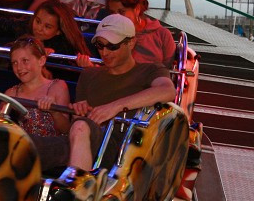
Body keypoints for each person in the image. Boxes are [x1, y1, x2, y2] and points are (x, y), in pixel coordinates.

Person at [33, 14, 175, 171]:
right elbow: (75, 129)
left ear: (131, 43)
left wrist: (115, 107)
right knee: (20, 142)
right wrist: (79, 114)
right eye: (100, 46)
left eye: (112, 46)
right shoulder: (89, 75)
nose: (104, 52)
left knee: (80, 129)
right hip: (85, 141)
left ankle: (78, 190)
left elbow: (167, 90)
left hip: (124, 152)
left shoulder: (150, 70)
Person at [0, 0, 90, 57]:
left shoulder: (65, 48)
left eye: (47, 26)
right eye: (38, 21)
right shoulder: (24, 27)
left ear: (58, 31)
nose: (39, 28)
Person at [5, 36, 71, 137]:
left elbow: (66, 129)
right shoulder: (12, 93)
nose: (19, 67)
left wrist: (55, 112)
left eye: (25, 61)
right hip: (25, 148)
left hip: (53, 148)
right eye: (15, 63)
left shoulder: (57, 87)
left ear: (41, 61)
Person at [105, 0, 176, 66]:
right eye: (112, 13)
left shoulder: (162, 35)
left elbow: (170, 69)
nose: (116, 17)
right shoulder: (109, 36)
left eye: (121, 12)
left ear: (137, 9)